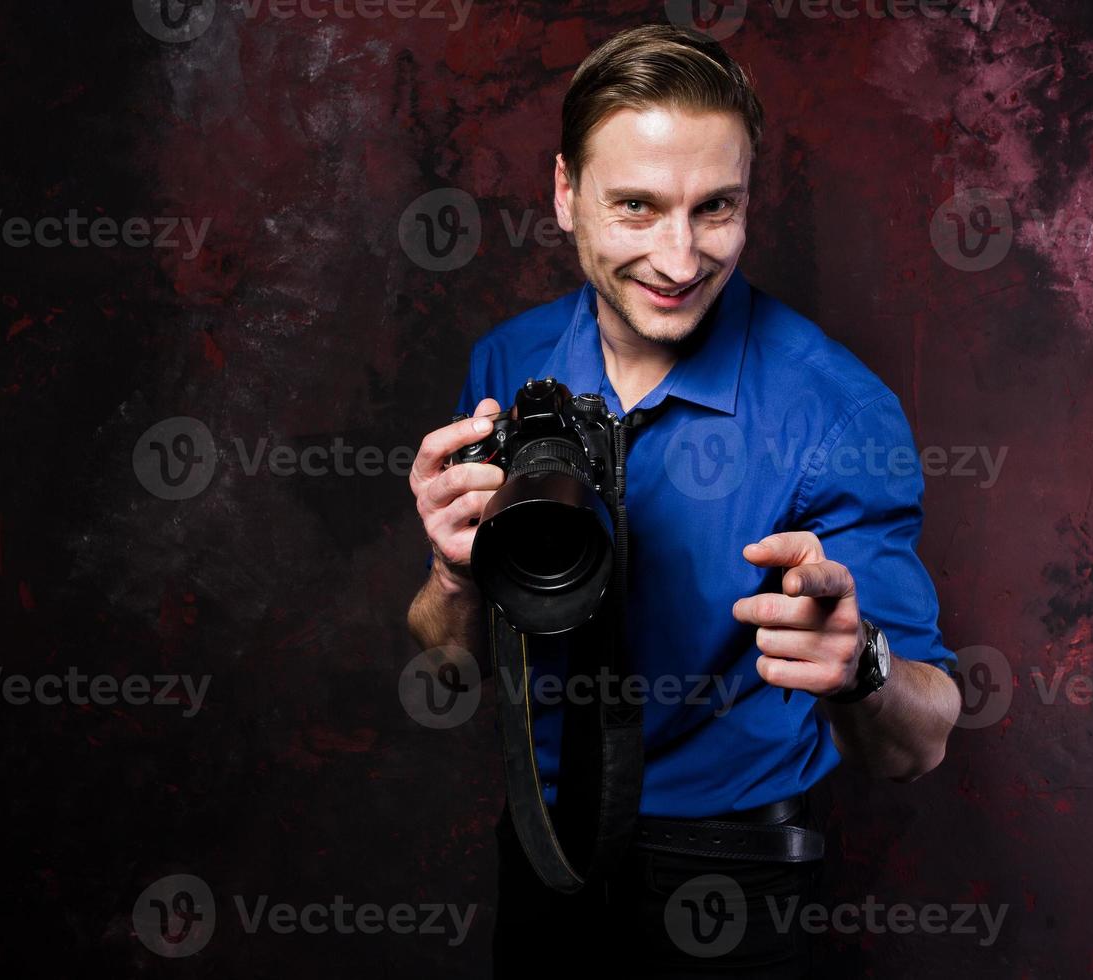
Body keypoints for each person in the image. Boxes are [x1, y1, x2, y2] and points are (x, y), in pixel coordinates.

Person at [405, 23, 962, 978]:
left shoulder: (836, 407)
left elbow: (920, 741)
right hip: (544, 853)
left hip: (729, 876)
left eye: (715, 209)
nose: (677, 258)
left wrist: (857, 662)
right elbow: (453, 664)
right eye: (635, 207)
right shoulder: (507, 366)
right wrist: (453, 576)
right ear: (563, 193)